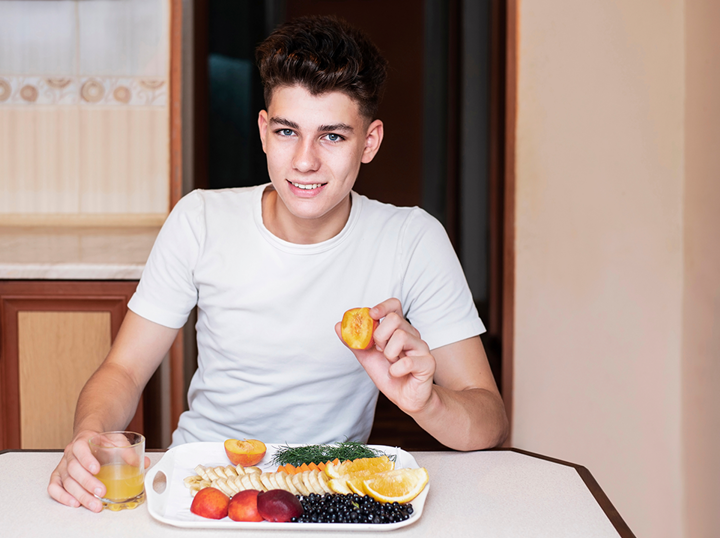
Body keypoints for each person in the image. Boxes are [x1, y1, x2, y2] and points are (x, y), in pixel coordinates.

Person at [48, 15, 508, 512]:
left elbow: (488, 420)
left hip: (327, 489)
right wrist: (89, 438)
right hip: (199, 485)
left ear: (369, 142)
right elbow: (124, 369)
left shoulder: (412, 238)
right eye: (289, 131)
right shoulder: (200, 219)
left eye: (332, 136)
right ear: (265, 131)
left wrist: (428, 403)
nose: (305, 161)